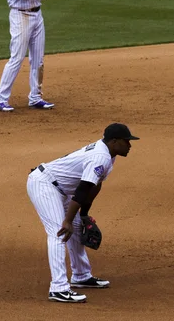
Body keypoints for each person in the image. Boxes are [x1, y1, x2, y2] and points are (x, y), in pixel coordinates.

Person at [27, 123, 140, 303]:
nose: (130, 145)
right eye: (127, 142)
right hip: (45, 185)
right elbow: (82, 189)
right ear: (114, 141)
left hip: (61, 189)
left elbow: (94, 186)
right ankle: (58, 288)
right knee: (59, 233)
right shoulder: (100, 157)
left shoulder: (109, 155)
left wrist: (83, 214)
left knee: (77, 226)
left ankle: (81, 275)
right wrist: (67, 220)